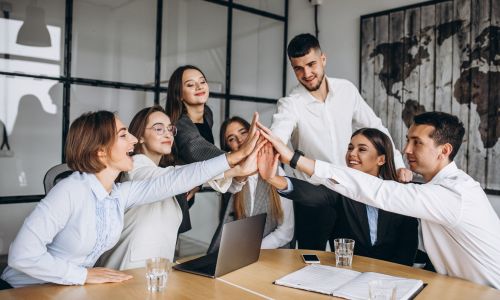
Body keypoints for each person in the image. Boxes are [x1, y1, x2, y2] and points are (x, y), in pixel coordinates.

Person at [0, 110, 261, 288]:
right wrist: (82, 275)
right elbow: (21, 256)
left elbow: (173, 180)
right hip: (23, 290)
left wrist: (232, 159)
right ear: (101, 151)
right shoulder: (69, 191)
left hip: (67, 289)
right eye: (124, 135)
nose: (134, 140)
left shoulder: (118, 195)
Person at [258, 112, 500, 288]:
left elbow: (379, 192)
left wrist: (293, 158)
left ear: (444, 150)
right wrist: (277, 178)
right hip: (462, 288)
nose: (406, 150)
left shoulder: (452, 194)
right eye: (408, 140)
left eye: (417, 143)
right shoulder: (434, 189)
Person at [269, 33, 412, 250]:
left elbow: (377, 127)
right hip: (313, 196)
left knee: (350, 259)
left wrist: (399, 164)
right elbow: (277, 138)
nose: (306, 74)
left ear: (323, 59)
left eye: (311, 64)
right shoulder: (290, 104)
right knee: (310, 260)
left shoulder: (347, 90)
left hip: (348, 194)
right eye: (298, 68)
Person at [260, 128, 418, 265]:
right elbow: (312, 194)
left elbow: (407, 249)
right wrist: (273, 178)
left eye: (361, 149)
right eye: (350, 148)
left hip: (392, 279)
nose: (352, 154)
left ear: (381, 159)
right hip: (348, 274)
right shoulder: (341, 188)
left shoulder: (399, 193)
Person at [165, 65, 250, 231]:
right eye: (190, 85)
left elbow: (199, 161)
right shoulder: (179, 124)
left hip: (188, 188)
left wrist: (198, 183)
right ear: (179, 94)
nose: (199, 87)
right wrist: (241, 157)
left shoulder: (207, 114)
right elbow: (198, 150)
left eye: (202, 81)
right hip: (171, 192)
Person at [208, 116, 294, 252]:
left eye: (243, 132)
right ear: (228, 148)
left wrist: (251, 250)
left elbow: (286, 232)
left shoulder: (278, 173)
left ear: (254, 133)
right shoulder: (232, 180)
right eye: (231, 139)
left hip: (273, 254)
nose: (240, 140)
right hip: (240, 251)